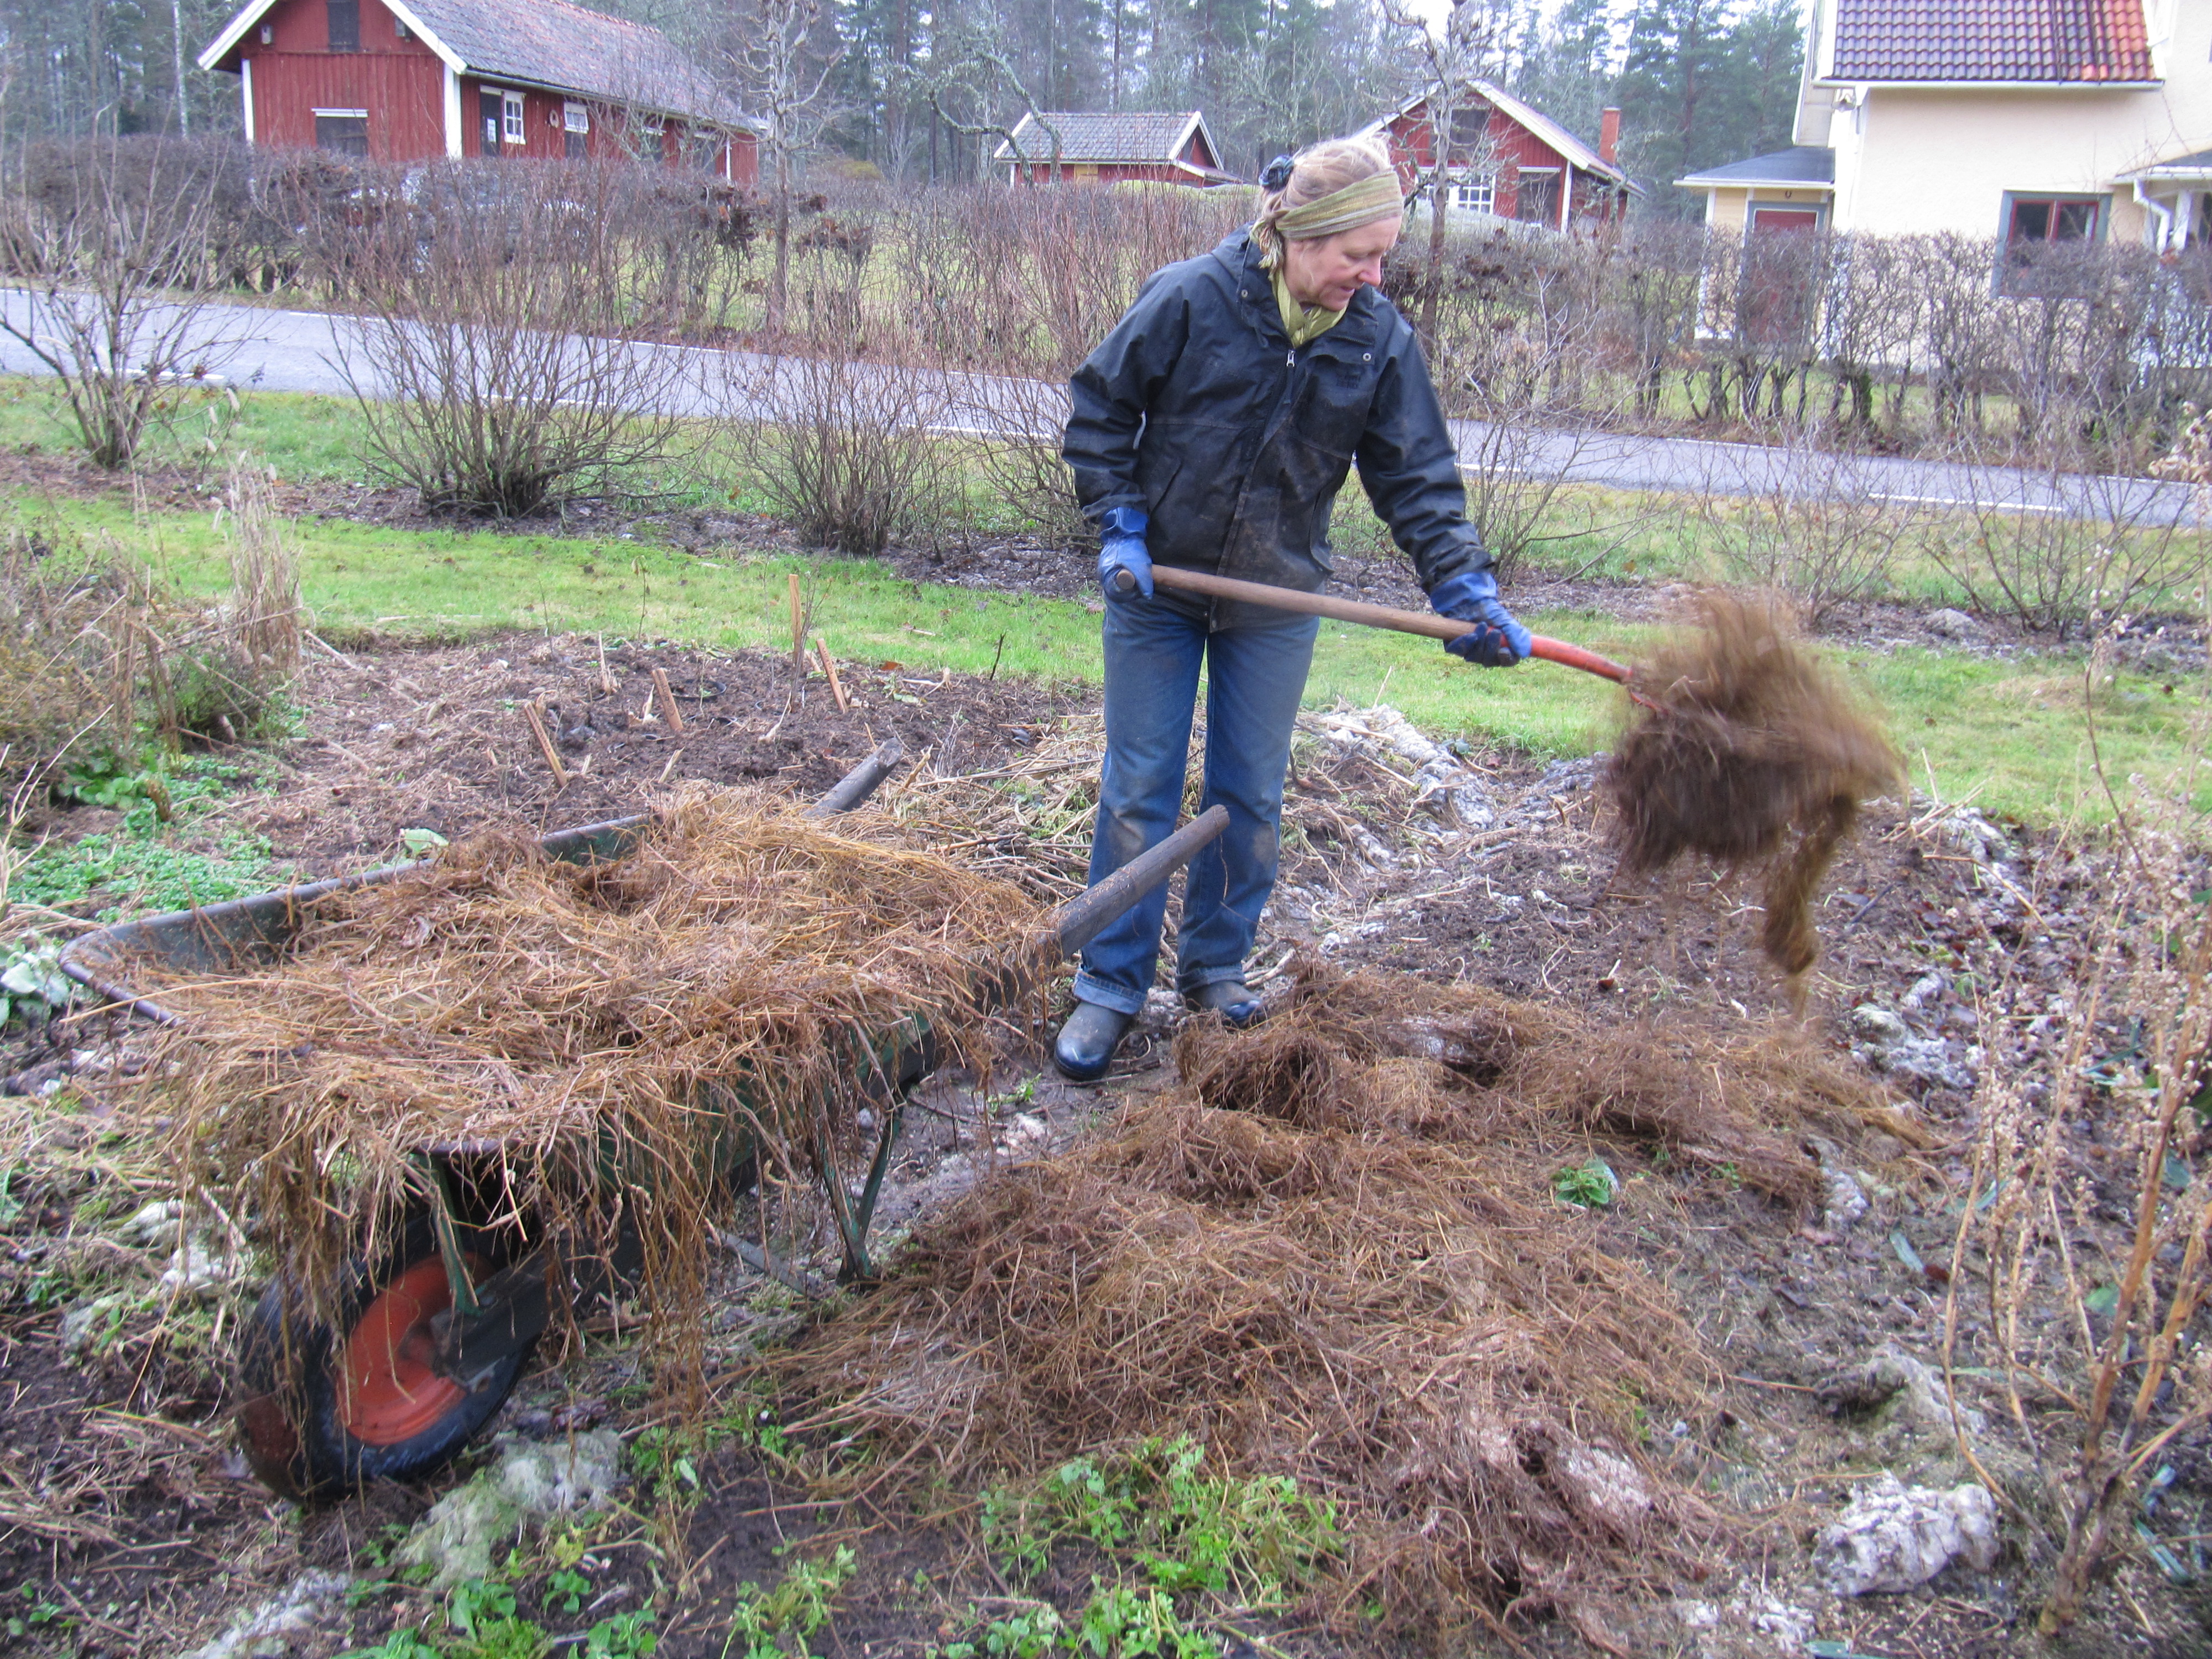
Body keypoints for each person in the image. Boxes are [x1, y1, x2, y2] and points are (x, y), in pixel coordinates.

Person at [1052, 134, 1531, 1082]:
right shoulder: (1192, 297)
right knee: (1140, 786)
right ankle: (1108, 985)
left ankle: (1215, 972)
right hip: (1161, 589)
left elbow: (1420, 482)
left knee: (1251, 798)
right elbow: (1100, 413)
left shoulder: (1375, 339)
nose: (1373, 273)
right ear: (1300, 237)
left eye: (1383, 255)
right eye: (1359, 254)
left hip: (1274, 599)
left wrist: (1463, 588)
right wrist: (1120, 523)